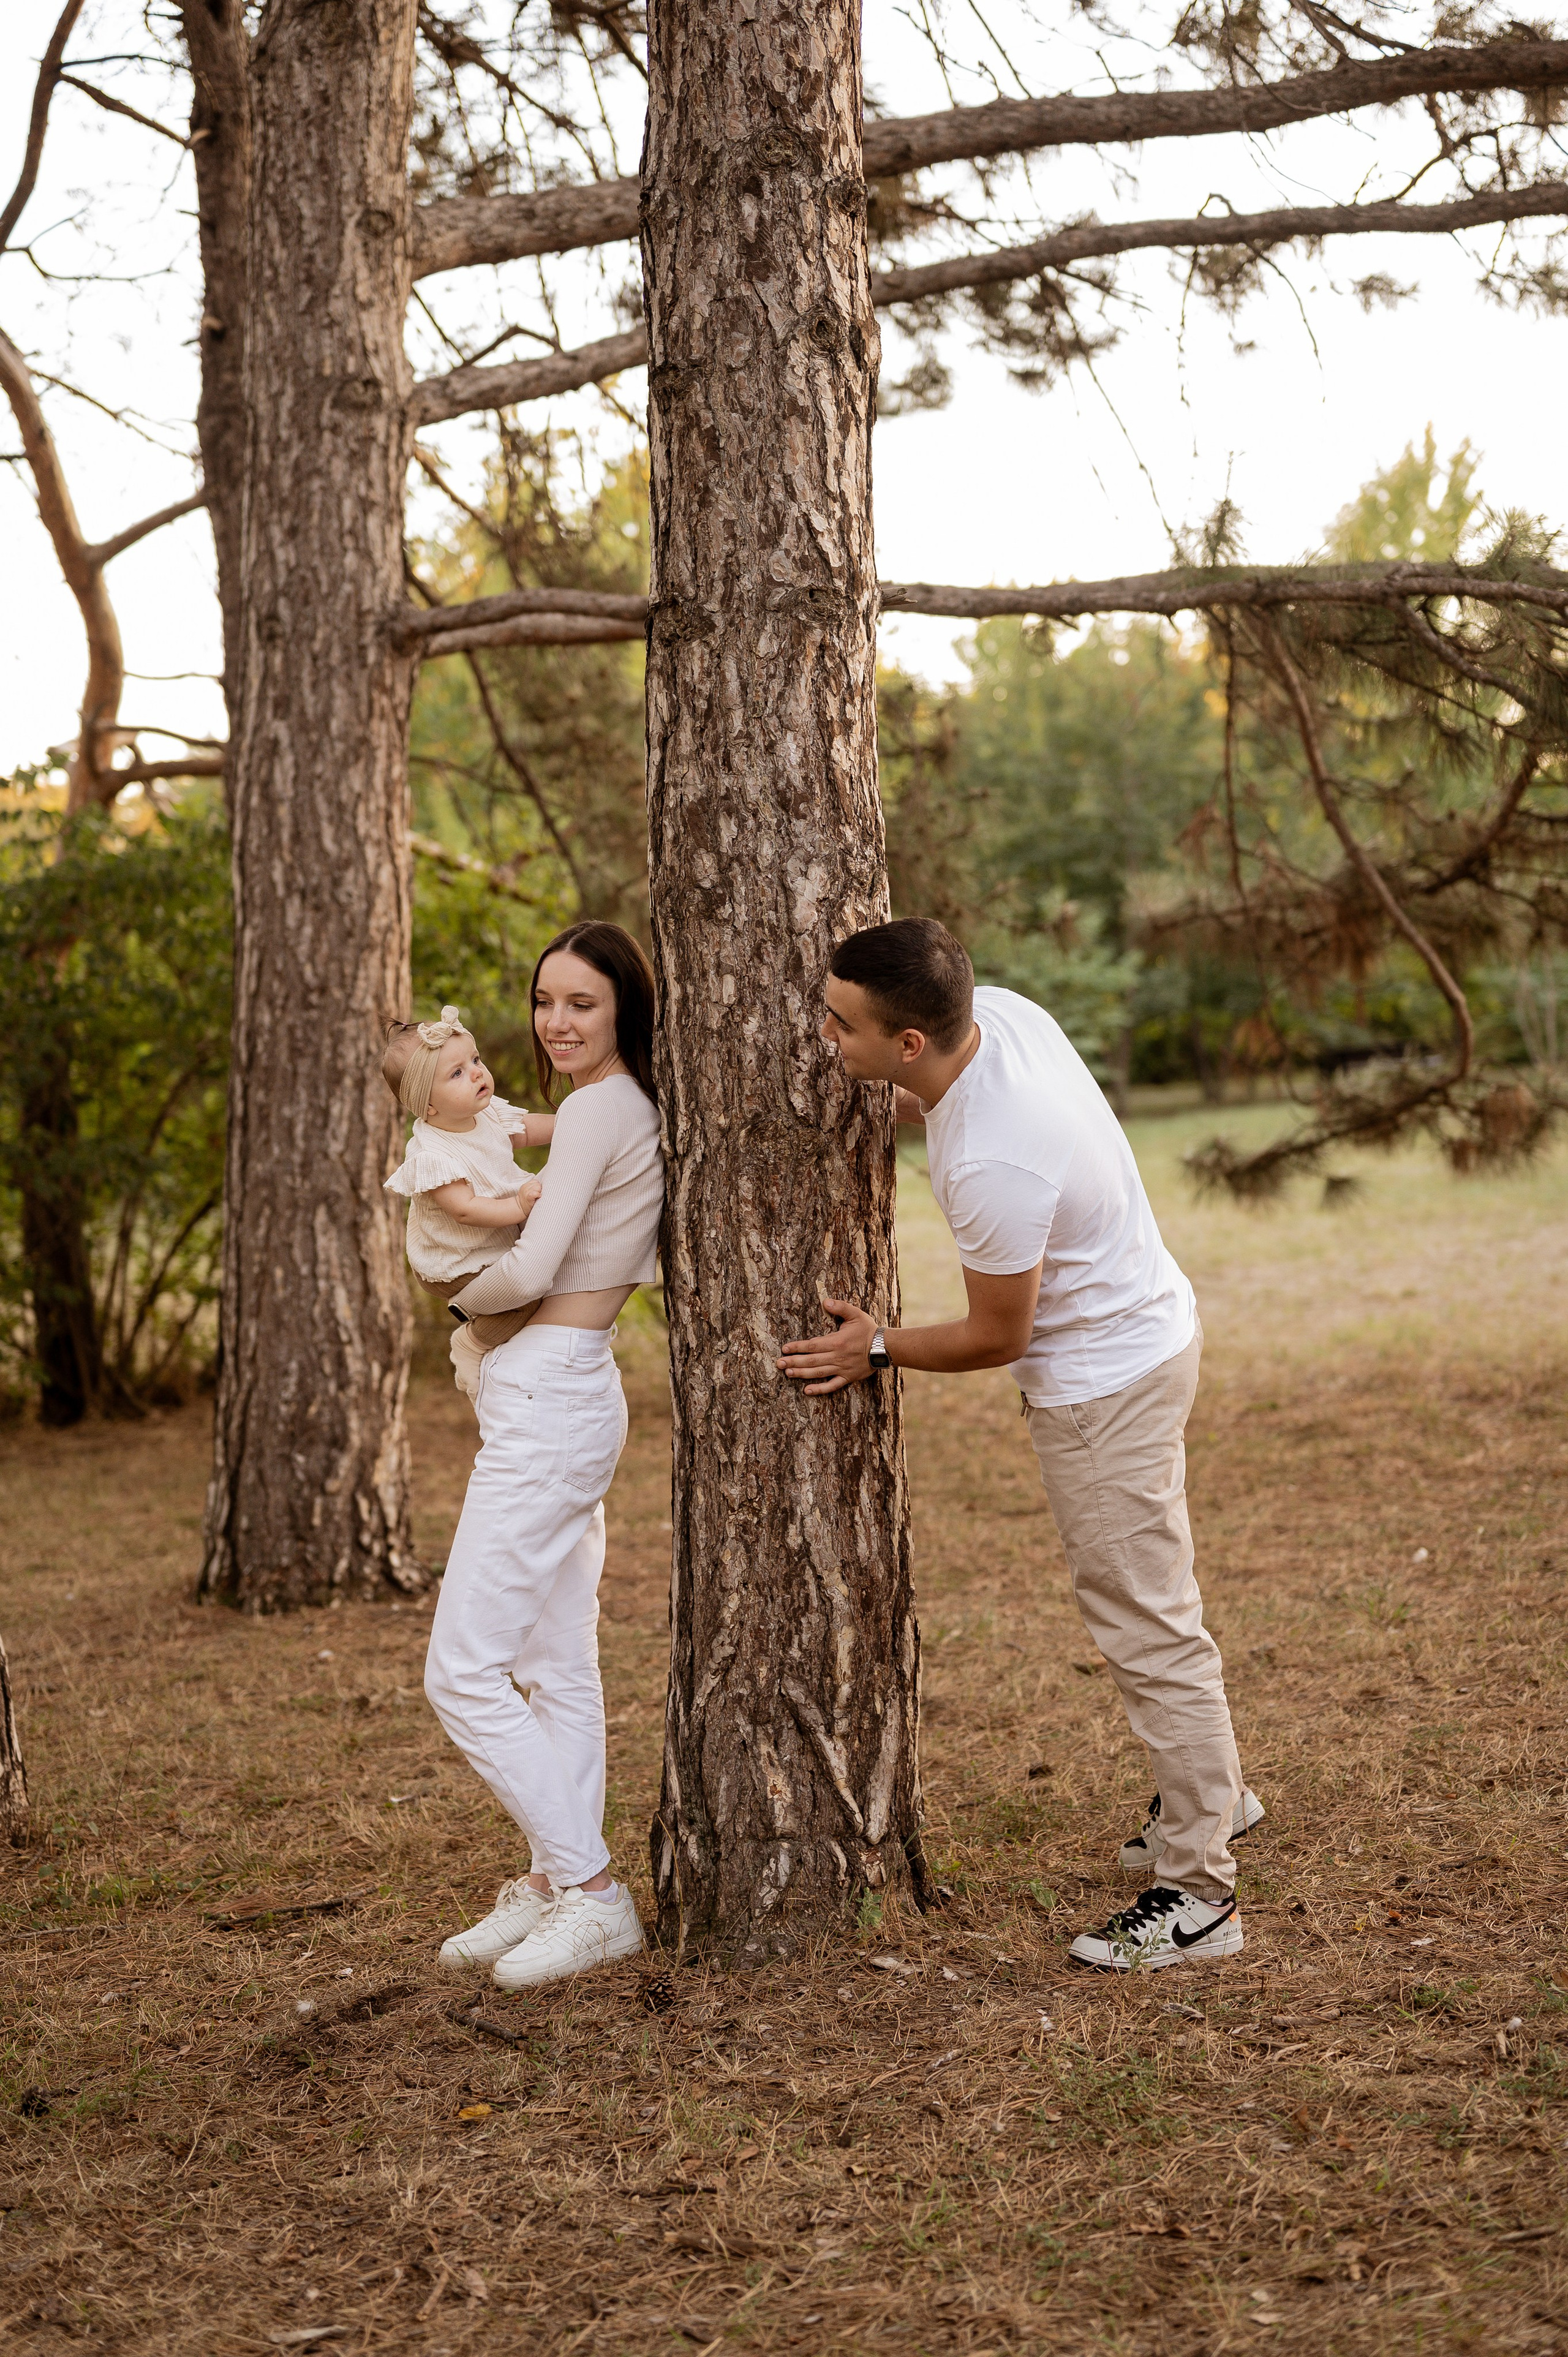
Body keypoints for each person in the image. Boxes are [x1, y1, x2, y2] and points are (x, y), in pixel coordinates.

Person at [778, 917, 1263, 1972]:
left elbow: (1000, 1334)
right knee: (1154, 1606)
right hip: (1153, 1328)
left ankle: (1201, 1894)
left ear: (911, 1041)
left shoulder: (987, 1159)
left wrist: (875, 1346)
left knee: (1148, 1624)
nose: (824, 1036)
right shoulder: (999, 1016)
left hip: (1104, 1390)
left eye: (842, 1024)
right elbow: (935, 1098)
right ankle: (1214, 1790)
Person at [423, 922, 664, 1991]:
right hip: (563, 1389)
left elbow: (529, 1266)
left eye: (582, 1003)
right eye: (543, 1000)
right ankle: (549, 1877)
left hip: (552, 1393)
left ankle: (594, 1892)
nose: (555, 1022)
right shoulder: (609, 1106)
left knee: (461, 1670)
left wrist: (456, 1307)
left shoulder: (601, 1109)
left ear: (623, 1011)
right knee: (556, 1660)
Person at [382, 1006, 557, 1404]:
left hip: (486, 1242)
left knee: (542, 1269)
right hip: (454, 1261)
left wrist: (572, 1120)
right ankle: (472, 1342)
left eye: (475, 1060)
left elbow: (525, 1130)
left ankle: (494, 1323)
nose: (478, 1073)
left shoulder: (486, 1114)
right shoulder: (433, 1153)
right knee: (527, 1295)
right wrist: (518, 1207)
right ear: (428, 1105)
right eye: (457, 1073)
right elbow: (465, 1209)